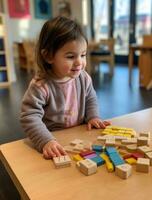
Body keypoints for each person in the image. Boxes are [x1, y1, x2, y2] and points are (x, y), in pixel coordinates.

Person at [20, 16, 111, 159]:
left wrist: (93, 116)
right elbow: (29, 116)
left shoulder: (84, 78)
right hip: (52, 140)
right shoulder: (41, 86)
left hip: (79, 134)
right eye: (70, 57)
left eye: (83, 55)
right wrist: (46, 141)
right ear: (48, 56)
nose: (79, 63)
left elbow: (90, 98)